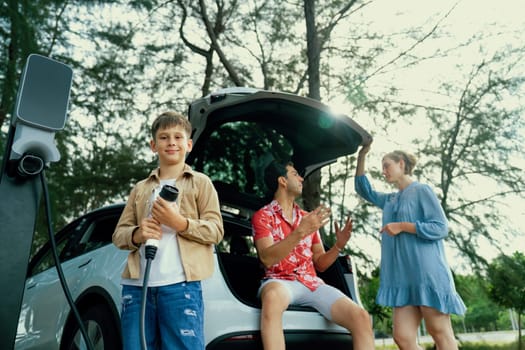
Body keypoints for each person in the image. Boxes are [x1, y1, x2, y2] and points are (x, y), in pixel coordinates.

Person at [112, 111, 224, 350]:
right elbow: (118, 234)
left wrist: (180, 223)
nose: (171, 142)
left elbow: (216, 230)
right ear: (154, 145)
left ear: (189, 144)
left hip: (180, 285)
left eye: (177, 137)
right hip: (137, 287)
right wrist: (137, 234)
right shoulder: (141, 189)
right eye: (163, 137)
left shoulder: (200, 183)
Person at [252, 160, 375, 350]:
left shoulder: (308, 218)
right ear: (282, 181)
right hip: (279, 281)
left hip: (311, 283)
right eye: (295, 174)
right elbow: (267, 258)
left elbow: (320, 263)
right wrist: (300, 232)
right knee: (272, 298)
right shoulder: (263, 216)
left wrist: (338, 246)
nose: (301, 178)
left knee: (361, 317)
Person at [354, 142, 466, 350]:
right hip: (402, 279)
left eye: (387, 165)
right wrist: (362, 155)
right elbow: (364, 189)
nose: (383, 170)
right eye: (382, 166)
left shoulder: (422, 190)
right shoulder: (390, 199)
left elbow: (440, 227)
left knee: (439, 333)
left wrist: (403, 226)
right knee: (403, 337)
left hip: (427, 273)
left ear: (401, 164)